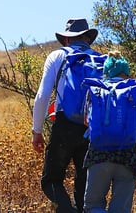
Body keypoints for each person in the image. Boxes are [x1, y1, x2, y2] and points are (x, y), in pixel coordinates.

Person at [32, 18, 100, 212]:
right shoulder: (99, 59)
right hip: (92, 128)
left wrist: (37, 130)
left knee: (50, 181)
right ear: (88, 38)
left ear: (67, 39)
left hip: (64, 124)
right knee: (84, 187)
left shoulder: (57, 56)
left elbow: (43, 95)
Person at [82, 51, 136, 213]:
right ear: (127, 73)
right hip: (128, 158)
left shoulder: (94, 90)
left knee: (92, 206)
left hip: (98, 156)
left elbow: (87, 121)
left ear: (106, 72)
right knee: (120, 209)